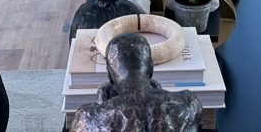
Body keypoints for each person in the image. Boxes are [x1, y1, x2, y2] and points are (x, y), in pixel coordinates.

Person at [71, 32, 203, 132]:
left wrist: (101, 106)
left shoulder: (88, 116)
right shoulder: (189, 104)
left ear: (109, 75)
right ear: (151, 68)